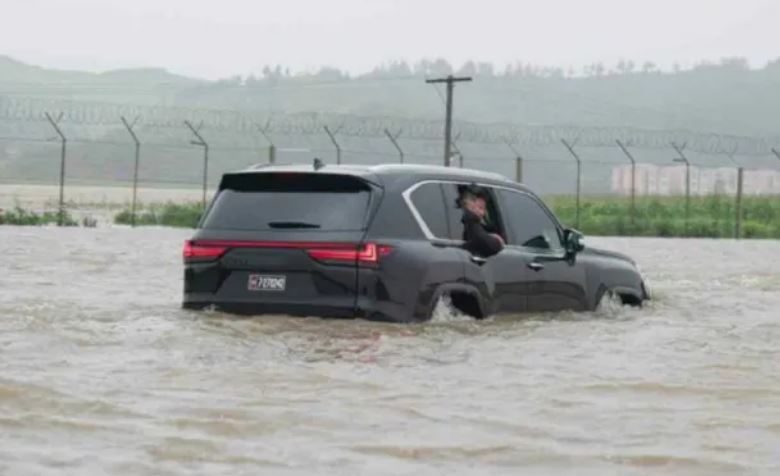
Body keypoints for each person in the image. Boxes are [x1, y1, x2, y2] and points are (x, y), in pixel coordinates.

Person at [459, 184, 505, 258]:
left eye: (484, 209)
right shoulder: (471, 220)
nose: (482, 213)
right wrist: (498, 242)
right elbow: (485, 243)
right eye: (480, 207)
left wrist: (488, 236)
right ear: (469, 204)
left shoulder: (466, 222)